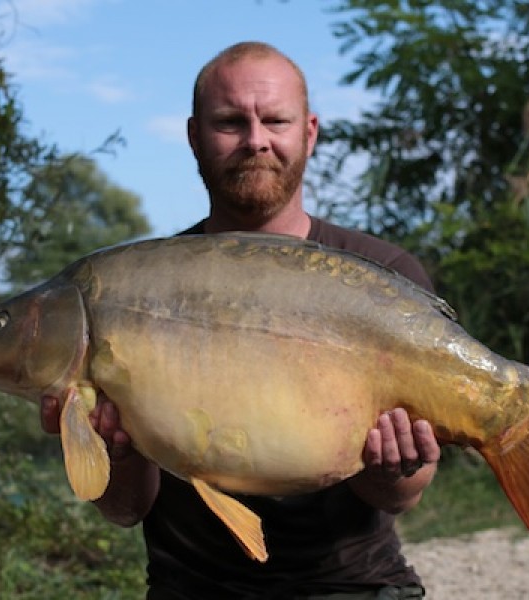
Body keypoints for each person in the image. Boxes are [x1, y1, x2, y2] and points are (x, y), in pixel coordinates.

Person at [40, 41, 441, 599]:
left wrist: (389, 464)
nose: (256, 140)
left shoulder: (382, 274)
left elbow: (404, 496)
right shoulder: (137, 284)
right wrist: (117, 450)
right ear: (193, 136)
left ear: (310, 131)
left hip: (353, 586)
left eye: (275, 119)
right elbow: (125, 508)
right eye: (230, 122)